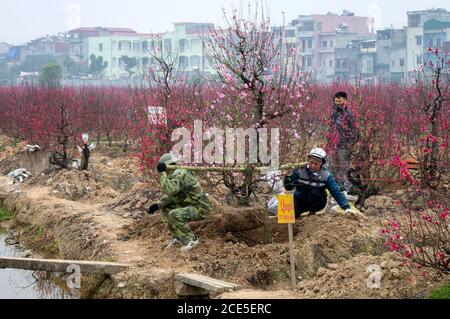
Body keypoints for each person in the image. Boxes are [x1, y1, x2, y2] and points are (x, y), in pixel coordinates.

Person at [147, 153, 212, 251]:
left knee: (174, 214)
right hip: (191, 204)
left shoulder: (179, 173)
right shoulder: (176, 173)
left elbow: (170, 190)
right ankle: (178, 237)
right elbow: (173, 196)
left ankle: (192, 240)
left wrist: (162, 173)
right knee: (166, 208)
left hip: (201, 208)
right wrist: (158, 205)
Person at [283, 148, 363, 219]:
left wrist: (346, 207)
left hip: (316, 201)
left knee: (313, 192)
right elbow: (288, 187)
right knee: (290, 214)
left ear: (321, 164)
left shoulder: (326, 175)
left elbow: (336, 192)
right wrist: (287, 178)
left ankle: (312, 213)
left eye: (316, 164)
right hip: (300, 199)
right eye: (311, 162)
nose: (313, 166)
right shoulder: (299, 171)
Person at [330, 92, 358, 194]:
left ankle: (347, 190)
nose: (338, 103)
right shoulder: (334, 114)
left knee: (345, 167)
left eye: (340, 101)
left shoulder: (349, 114)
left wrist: (348, 144)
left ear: (345, 101)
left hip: (345, 145)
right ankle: (337, 188)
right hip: (334, 145)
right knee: (334, 166)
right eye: (336, 101)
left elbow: (353, 131)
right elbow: (331, 128)